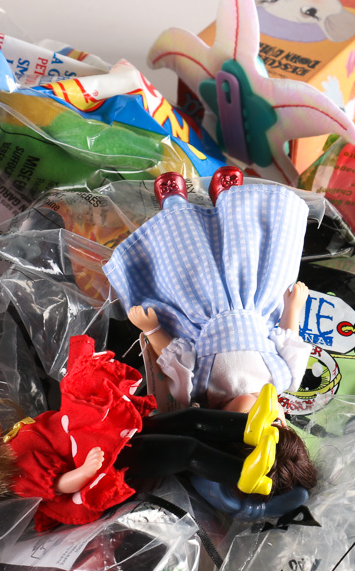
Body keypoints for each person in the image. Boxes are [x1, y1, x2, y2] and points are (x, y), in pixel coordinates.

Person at [0, 335, 316, 531]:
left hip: (111, 439)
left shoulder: (11, 441)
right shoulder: (12, 471)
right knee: (187, 449)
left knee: (189, 420)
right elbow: (56, 486)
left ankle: (249, 426)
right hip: (113, 462)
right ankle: (244, 471)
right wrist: (86, 471)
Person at [103, 167, 312, 414]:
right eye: (275, 420)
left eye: (251, 419)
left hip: (201, 304)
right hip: (253, 295)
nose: (264, 413)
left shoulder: (199, 389)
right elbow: (288, 337)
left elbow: (176, 358)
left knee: (187, 257)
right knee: (244, 247)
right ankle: (230, 196)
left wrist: (153, 330)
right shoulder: (284, 379)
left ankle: (173, 203)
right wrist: (292, 309)